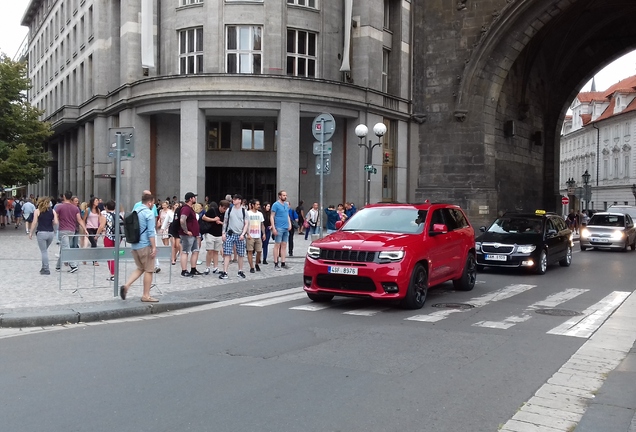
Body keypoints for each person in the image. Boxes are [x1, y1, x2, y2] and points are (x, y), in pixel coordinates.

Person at [119, 193, 159, 302]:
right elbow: (151, 232)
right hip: (145, 245)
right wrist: (154, 247)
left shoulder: (135, 211)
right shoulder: (148, 214)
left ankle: (126, 286)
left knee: (140, 268)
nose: (153, 205)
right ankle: (146, 295)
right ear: (149, 202)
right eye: (153, 203)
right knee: (149, 270)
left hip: (135, 245)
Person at [55, 191, 87, 273]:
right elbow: (79, 219)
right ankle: (58, 266)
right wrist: (85, 229)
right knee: (64, 247)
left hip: (63, 230)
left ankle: (73, 265)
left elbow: (56, 218)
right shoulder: (75, 208)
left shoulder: (59, 207)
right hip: (72, 230)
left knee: (66, 248)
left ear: (64, 197)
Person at [219, 194, 248, 279]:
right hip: (230, 234)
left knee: (241, 254)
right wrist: (223, 233)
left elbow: (246, 223)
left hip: (240, 235)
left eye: (235, 199)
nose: (233, 200)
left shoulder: (244, 211)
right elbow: (225, 222)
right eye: (233, 199)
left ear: (240, 200)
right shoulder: (229, 210)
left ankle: (240, 271)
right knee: (227, 253)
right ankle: (225, 272)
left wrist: (243, 234)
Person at [29, 196, 58, 275]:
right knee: (44, 251)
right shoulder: (53, 211)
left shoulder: (37, 211)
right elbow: (55, 222)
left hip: (41, 232)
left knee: (44, 251)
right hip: (50, 233)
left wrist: (31, 232)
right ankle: (43, 267)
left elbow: (34, 222)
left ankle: (46, 268)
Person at [179, 192, 202, 277]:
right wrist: (186, 231)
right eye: (194, 197)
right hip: (187, 235)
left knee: (195, 251)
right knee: (185, 252)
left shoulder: (190, 208)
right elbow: (182, 220)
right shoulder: (186, 208)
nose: (195, 199)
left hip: (194, 234)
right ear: (190, 199)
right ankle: (184, 270)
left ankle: (193, 269)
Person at [203, 200, 226, 275]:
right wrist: (213, 219)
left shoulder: (226, 213)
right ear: (220, 206)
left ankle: (216, 267)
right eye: (224, 208)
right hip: (210, 233)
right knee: (210, 251)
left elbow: (226, 223)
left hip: (219, 234)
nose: (224, 210)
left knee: (216, 251)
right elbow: (204, 217)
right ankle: (207, 267)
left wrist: (220, 223)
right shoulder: (212, 210)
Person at [270, 190, 292, 271]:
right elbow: (272, 216)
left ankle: (283, 262)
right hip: (279, 227)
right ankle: (276, 263)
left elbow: (287, 215)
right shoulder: (275, 205)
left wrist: (289, 224)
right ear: (279, 196)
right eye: (283, 195)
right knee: (277, 245)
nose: (285, 197)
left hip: (286, 227)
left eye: (286, 195)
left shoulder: (286, 205)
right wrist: (273, 227)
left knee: (284, 245)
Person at [84, 197, 105, 265]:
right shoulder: (88, 210)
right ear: (93, 202)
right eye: (96, 201)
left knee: (94, 244)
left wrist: (101, 227)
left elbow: (99, 219)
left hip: (96, 228)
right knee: (94, 243)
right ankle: (95, 260)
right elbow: (84, 219)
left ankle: (87, 257)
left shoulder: (98, 210)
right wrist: (85, 229)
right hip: (89, 228)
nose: (97, 202)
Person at [246, 199, 266, 273]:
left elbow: (262, 224)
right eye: (257, 204)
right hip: (250, 235)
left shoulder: (260, 214)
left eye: (259, 204)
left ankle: (257, 264)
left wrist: (263, 233)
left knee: (259, 251)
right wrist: (247, 234)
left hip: (258, 235)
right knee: (250, 251)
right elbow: (245, 224)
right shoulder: (248, 213)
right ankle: (251, 267)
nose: (258, 206)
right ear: (253, 205)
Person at [102, 200, 118, 281]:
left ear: (106, 207)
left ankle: (113, 274)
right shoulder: (118, 215)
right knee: (115, 255)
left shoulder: (106, 216)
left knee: (109, 256)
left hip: (108, 237)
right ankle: (115, 273)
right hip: (117, 238)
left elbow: (101, 226)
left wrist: (97, 235)